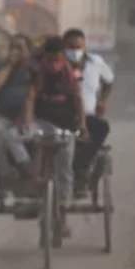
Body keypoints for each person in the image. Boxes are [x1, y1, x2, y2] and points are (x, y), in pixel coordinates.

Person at [23, 36, 87, 236]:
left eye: (58, 59)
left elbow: (78, 98)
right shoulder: (36, 71)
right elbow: (31, 96)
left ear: (63, 58)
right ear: (45, 58)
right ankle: (35, 186)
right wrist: (28, 122)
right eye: (50, 59)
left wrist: (83, 125)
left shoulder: (72, 72)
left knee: (65, 166)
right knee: (37, 151)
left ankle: (63, 207)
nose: (54, 64)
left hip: (66, 123)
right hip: (43, 121)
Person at [62, 28, 113, 193]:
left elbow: (109, 81)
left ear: (84, 47)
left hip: (89, 115)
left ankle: (81, 170)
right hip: (64, 115)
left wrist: (102, 100)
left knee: (101, 128)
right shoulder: (58, 64)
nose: (74, 51)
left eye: (78, 47)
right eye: (70, 47)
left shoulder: (96, 62)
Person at [0, 34, 37, 190]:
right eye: (13, 47)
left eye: (20, 48)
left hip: (30, 118)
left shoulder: (35, 68)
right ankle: (7, 172)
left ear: (29, 51)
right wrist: (10, 66)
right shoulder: (1, 67)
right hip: (5, 118)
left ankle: (33, 172)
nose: (15, 51)